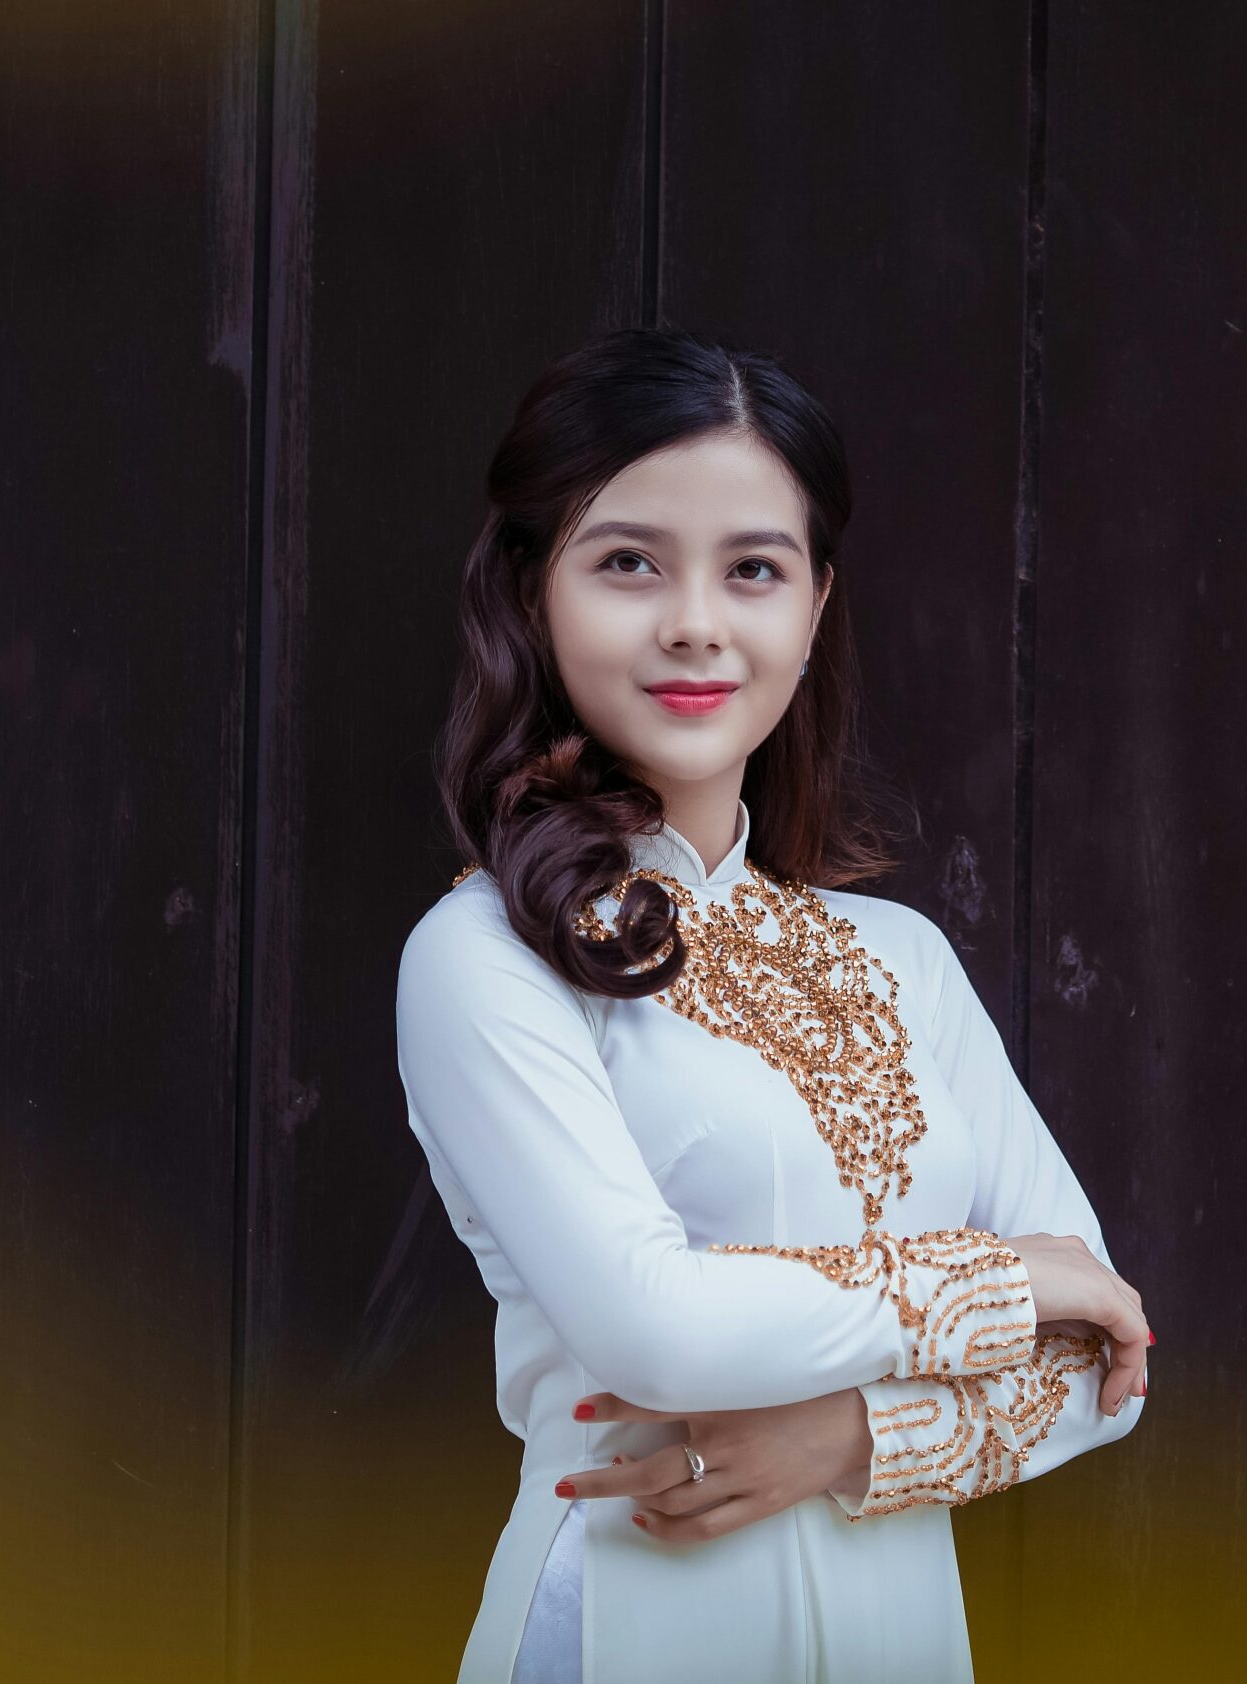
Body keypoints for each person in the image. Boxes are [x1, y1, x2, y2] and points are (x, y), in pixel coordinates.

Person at [394, 326, 1151, 1682]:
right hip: (623, 1630)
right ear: (532, 593)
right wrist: (1003, 1276)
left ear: (813, 609)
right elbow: (653, 1328)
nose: (696, 620)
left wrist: (843, 1440)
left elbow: (1101, 1362)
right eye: (629, 561)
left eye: (753, 568)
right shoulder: (485, 956)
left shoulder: (901, 956)